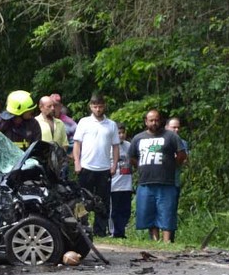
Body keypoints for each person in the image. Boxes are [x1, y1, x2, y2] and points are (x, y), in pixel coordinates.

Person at [128, 109, 187, 243]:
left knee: (167, 212)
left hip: (166, 181)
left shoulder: (171, 136)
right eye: (151, 120)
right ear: (146, 121)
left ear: (160, 121)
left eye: (156, 120)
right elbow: (131, 157)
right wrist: (141, 166)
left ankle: (166, 242)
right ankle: (155, 241)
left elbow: (182, 154)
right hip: (145, 181)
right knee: (149, 213)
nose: (154, 123)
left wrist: (172, 165)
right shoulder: (138, 138)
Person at [73, 93, 119, 237]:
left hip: (104, 168)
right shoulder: (84, 122)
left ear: (104, 106)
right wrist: (77, 162)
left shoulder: (111, 124)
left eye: (100, 106)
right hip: (86, 167)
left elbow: (116, 146)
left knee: (103, 202)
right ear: (91, 107)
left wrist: (114, 165)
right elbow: (77, 144)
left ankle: (100, 230)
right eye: (95, 106)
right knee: (82, 200)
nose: (98, 109)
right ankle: (81, 227)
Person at [110, 126, 133, 238]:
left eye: (123, 132)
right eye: (118, 133)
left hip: (126, 183)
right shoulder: (109, 146)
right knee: (114, 210)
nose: (121, 135)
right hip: (114, 184)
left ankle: (121, 231)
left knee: (125, 210)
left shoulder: (129, 145)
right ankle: (113, 232)